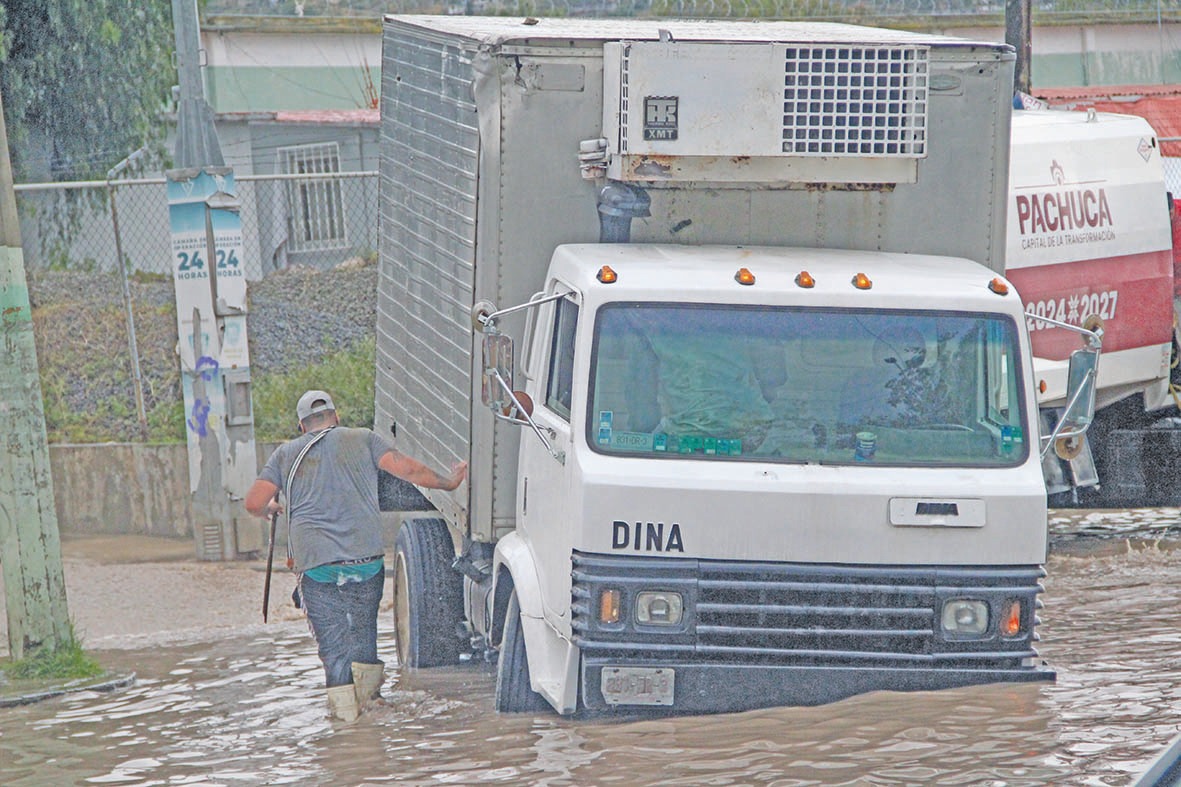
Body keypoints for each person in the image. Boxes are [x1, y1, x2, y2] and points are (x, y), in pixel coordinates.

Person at [245, 390, 467, 722]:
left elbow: (253, 503)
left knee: (334, 652)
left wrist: (273, 506)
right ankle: (372, 708)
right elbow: (407, 469)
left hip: (318, 569)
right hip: (366, 564)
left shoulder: (285, 454)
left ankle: (347, 730)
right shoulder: (364, 439)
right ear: (336, 417)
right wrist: (449, 482)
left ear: (301, 425)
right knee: (364, 635)